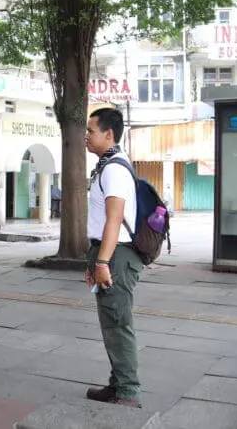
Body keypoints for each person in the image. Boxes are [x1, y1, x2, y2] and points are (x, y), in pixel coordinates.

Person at [84, 107, 143, 409]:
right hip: (108, 252)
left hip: (117, 255)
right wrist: (94, 260)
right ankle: (117, 383)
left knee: (119, 324)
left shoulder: (115, 169)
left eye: (91, 130)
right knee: (110, 323)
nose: (86, 136)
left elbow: (114, 218)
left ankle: (129, 394)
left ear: (108, 134)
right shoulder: (105, 166)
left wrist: (103, 262)